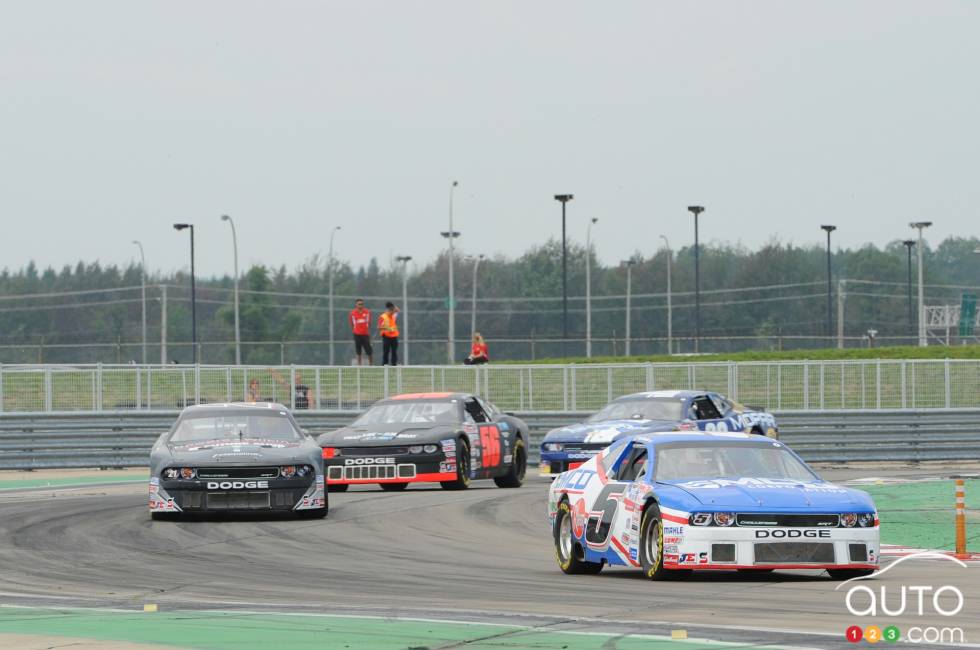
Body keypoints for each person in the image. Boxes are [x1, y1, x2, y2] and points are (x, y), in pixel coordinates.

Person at [349, 298, 373, 365]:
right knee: (358, 351)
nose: (361, 305)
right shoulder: (353, 313)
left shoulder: (367, 312)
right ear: (356, 305)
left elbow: (369, 323)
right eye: (359, 304)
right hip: (357, 334)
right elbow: (351, 324)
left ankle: (371, 365)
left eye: (362, 304)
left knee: (369, 351)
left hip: (365, 334)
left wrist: (366, 330)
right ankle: (359, 366)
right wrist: (355, 330)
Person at [377, 301, 400, 366]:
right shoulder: (383, 317)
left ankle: (394, 364)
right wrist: (387, 329)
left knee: (394, 352)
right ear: (388, 310)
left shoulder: (393, 316)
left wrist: (392, 305)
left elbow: (397, 310)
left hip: (394, 336)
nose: (393, 311)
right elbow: (378, 327)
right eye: (391, 310)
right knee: (386, 352)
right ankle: (384, 365)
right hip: (386, 336)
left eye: (393, 310)